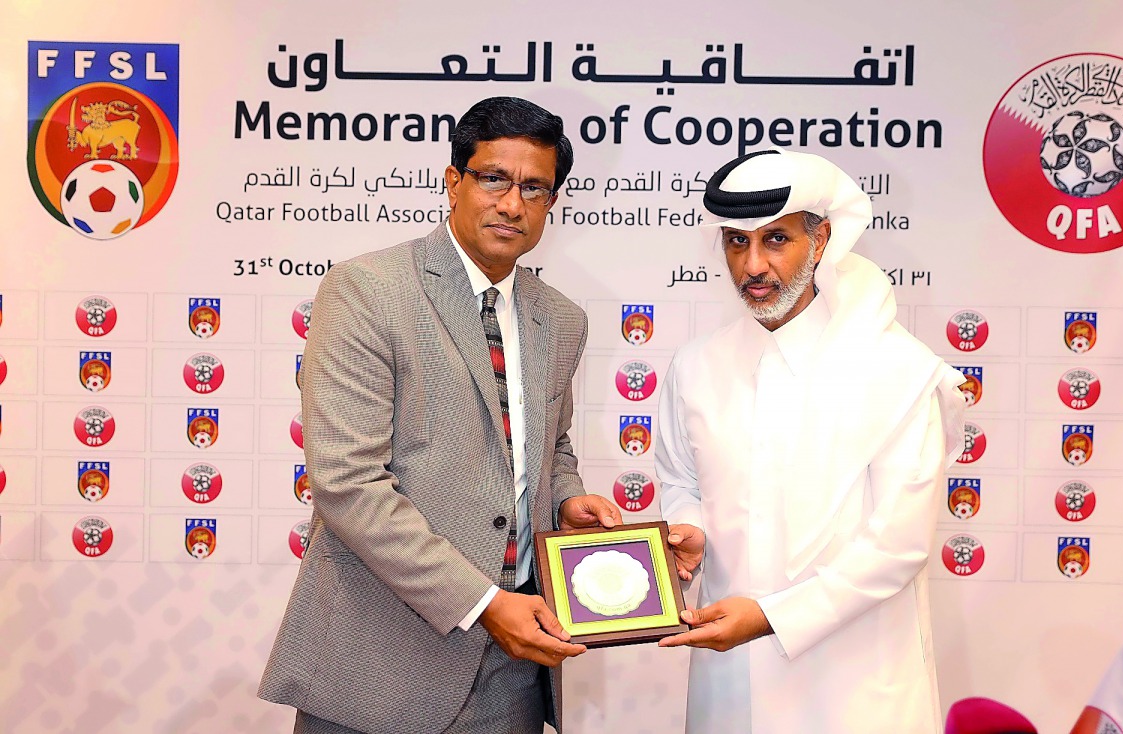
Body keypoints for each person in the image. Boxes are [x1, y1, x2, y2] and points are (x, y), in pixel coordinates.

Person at [259, 96, 624, 734]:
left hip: (514, 669)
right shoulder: (367, 290)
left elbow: (548, 444)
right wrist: (482, 603)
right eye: (494, 179)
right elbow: (347, 482)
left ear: (551, 205)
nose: (513, 204)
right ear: (453, 181)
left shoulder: (563, 318)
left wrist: (567, 499)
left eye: (535, 188)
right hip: (380, 657)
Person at [655, 149, 966, 733]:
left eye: (775, 240)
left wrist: (772, 617)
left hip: (853, 685)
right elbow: (680, 479)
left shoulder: (896, 371)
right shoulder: (696, 366)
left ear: (820, 241)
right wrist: (690, 527)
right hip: (732, 682)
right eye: (735, 242)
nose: (752, 265)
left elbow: (898, 547)